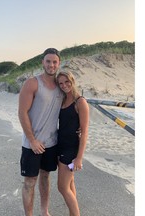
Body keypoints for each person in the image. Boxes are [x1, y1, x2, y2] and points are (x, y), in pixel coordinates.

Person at [18, 48, 63, 216]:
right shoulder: (32, 83)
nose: (51, 65)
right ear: (42, 63)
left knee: (45, 177)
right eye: (48, 61)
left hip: (51, 143)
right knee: (30, 182)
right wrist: (32, 140)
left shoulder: (61, 85)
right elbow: (22, 112)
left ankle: (45, 211)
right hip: (32, 144)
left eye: (54, 62)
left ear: (58, 64)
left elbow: (70, 107)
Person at [56, 70, 89, 216]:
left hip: (70, 150)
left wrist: (79, 158)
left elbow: (85, 132)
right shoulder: (63, 100)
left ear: (72, 81)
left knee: (62, 187)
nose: (64, 85)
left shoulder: (80, 102)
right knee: (70, 183)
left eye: (67, 82)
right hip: (60, 146)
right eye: (61, 83)